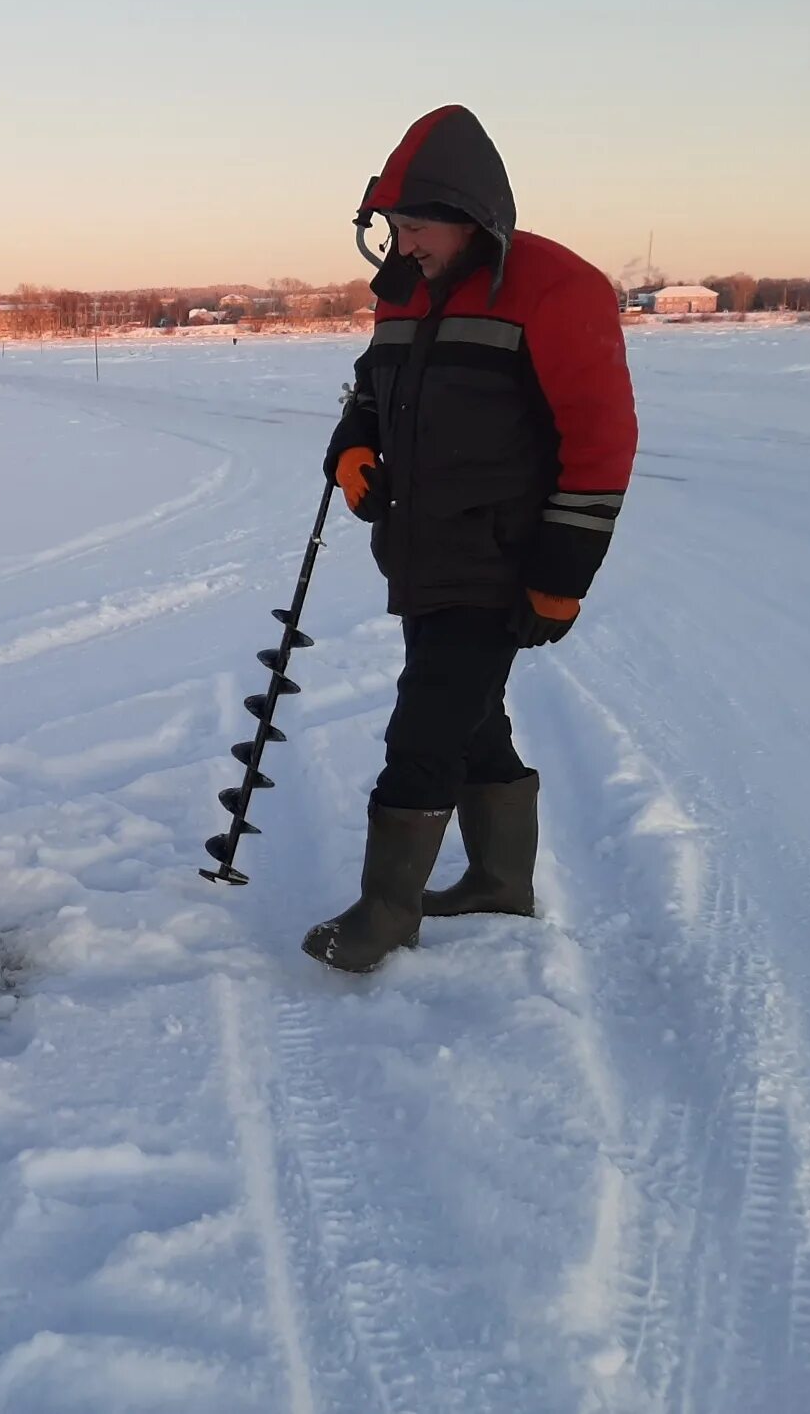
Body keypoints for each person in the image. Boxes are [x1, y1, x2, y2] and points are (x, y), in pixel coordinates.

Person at [302, 104, 637, 974]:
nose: (403, 244)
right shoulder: (405, 292)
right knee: (471, 714)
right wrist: (353, 451)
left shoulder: (559, 290)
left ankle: (385, 913)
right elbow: (370, 395)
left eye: (415, 227)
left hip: (503, 558)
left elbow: (600, 444)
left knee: (426, 726)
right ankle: (498, 879)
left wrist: (562, 574)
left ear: (468, 215)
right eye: (393, 227)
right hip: (423, 548)